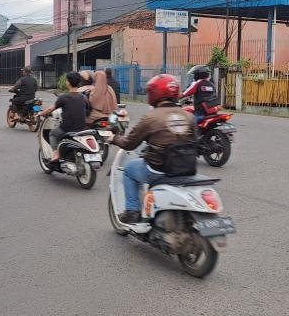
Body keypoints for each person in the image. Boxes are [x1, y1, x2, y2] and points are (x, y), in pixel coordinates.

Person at [109, 74, 196, 223]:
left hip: (159, 169)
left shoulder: (151, 117)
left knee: (129, 170)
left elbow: (129, 144)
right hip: (186, 168)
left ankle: (132, 211)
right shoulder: (188, 116)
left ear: (154, 93)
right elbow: (195, 141)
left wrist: (114, 138)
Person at [38, 72, 90, 162]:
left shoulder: (64, 97)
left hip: (67, 128)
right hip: (82, 128)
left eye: (66, 80)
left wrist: (42, 113)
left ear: (69, 83)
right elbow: (88, 110)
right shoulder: (83, 97)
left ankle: (55, 153)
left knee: (53, 134)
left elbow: (51, 109)